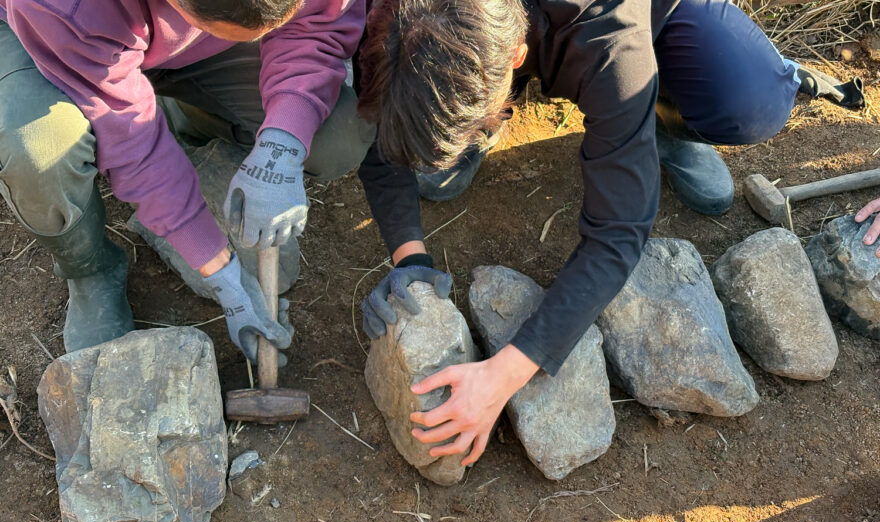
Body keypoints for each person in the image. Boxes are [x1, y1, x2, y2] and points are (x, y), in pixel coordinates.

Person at [355, 0, 864, 466]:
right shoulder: (397, 18)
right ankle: (477, 119)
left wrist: (504, 374)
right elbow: (381, 128)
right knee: (426, 137)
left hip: (649, 14)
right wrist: (409, 259)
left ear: (513, 54)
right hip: (505, 33)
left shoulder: (608, 36)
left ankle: (655, 118)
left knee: (749, 100)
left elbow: (618, 232)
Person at [0, 0, 373, 364]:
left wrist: (283, 143)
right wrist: (219, 270)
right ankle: (90, 269)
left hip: (188, 45)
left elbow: (315, 27)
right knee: (38, 150)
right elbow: (132, 143)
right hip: (52, 41)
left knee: (336, 137)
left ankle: (185, 119)